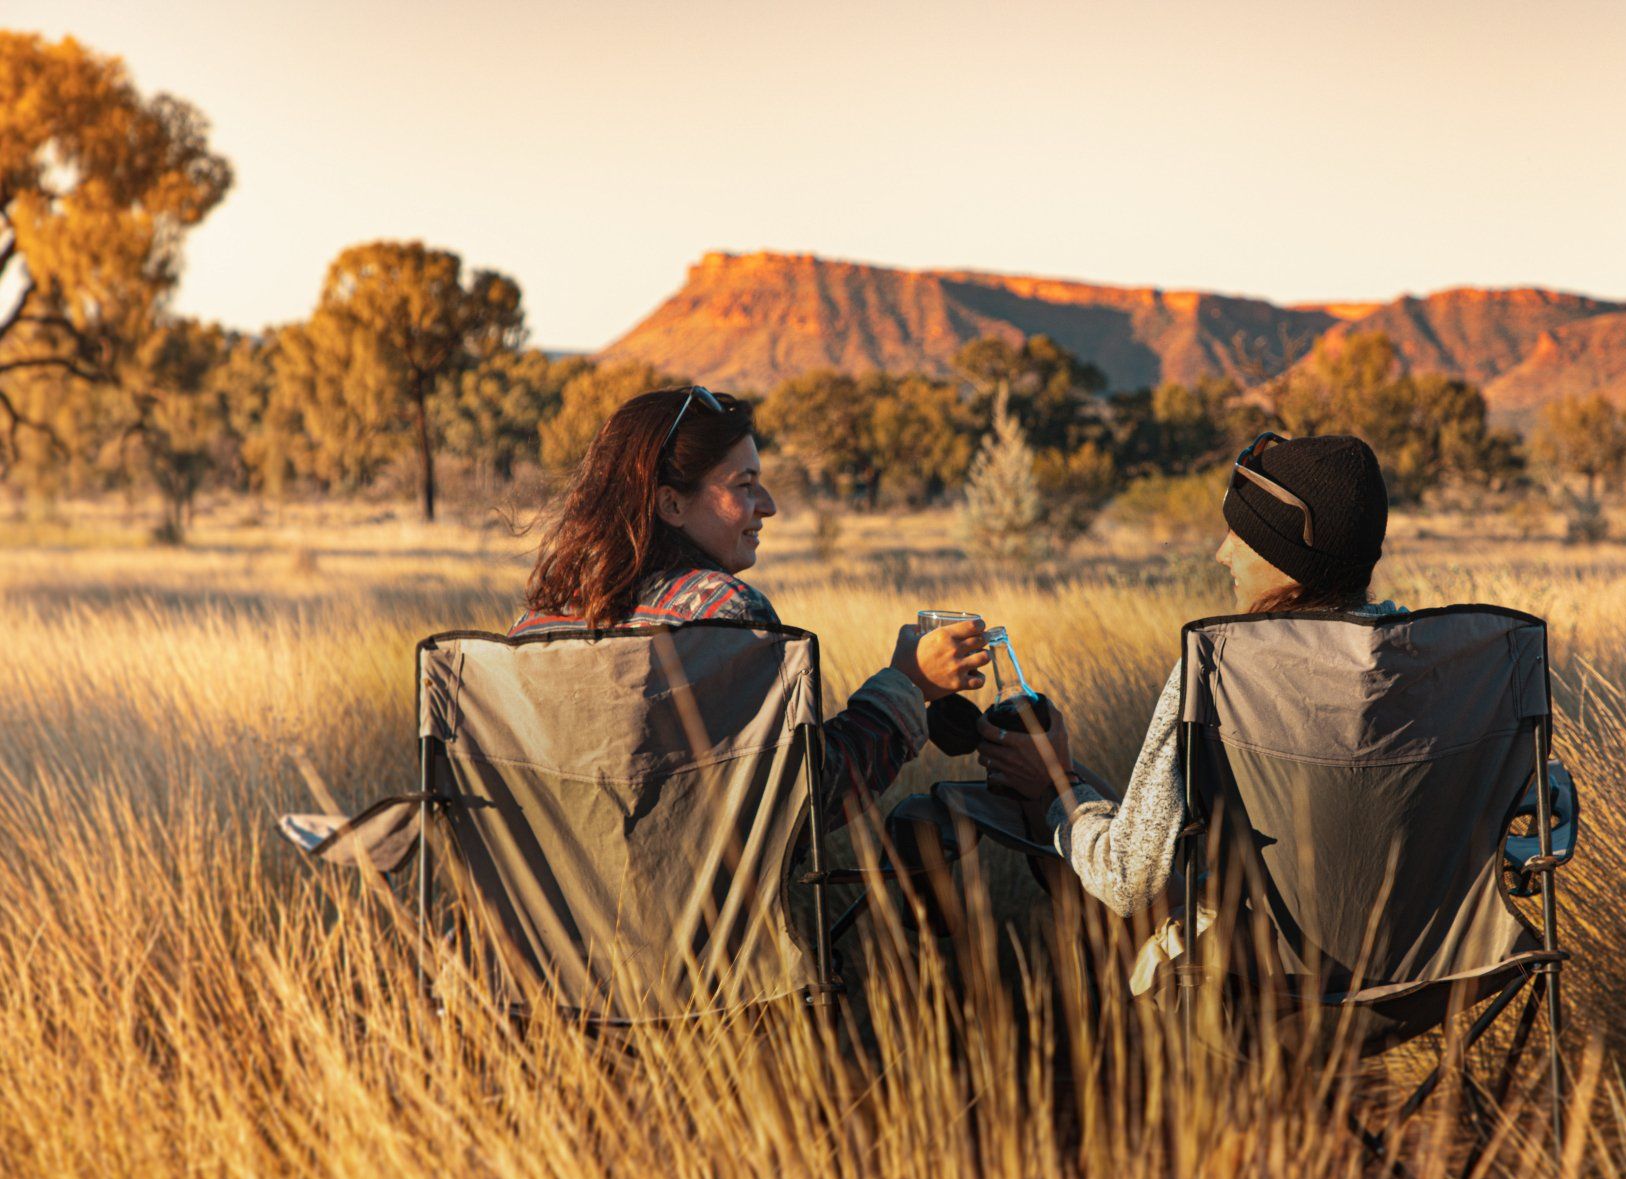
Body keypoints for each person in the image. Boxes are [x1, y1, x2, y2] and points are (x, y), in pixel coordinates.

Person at [975, 432, 1403, 990]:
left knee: (1083, 837)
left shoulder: (1223, 668)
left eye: (1241, 535)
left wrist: (1057, 786)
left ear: (1287, 558)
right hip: (1427, 967)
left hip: (1275, 973)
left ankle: (1104, 1055)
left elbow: (1128, 881)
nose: (1222, 553)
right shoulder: (1425, 660)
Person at [511, 385, 991, 827]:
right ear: (671, 505)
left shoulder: (537, 625)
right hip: (707, 915)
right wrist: (907, 686)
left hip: (542, 914)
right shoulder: (724, 612)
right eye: (744, 485)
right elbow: (801, 801)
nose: (768, 504)